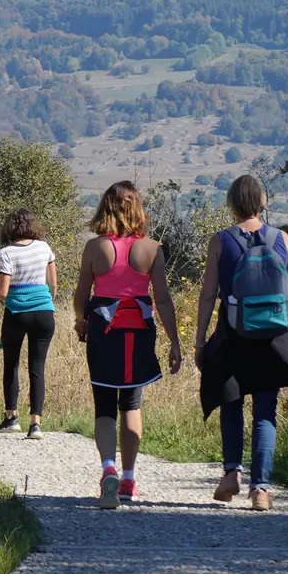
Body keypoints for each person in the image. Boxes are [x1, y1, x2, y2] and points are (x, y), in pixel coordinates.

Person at [195, 175, 288, 511]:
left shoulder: (221, 241)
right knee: (265, 410)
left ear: (232, 204)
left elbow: (207, 295)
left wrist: (200, 340)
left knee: (231, 401)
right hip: (274, 335)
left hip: (232, 333)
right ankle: (260, 490)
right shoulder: (282, 238)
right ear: (263, 202)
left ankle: (231, 473)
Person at [75, 181, 182, 509]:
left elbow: (81, 294)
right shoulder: (151, 249)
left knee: (104, 406)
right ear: (137, 209)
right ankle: (129, 478)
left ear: (105, 208)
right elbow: (162, 298)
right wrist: (175, 341)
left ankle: (109, 468)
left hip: (103, 333)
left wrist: (81, 321)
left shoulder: (95, 248)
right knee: (132, 405)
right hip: (139, 332)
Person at [0, 208, 57, 439]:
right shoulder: (45, 248)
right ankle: (36, 423)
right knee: (37, 367)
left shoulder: (6, 253)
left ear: (10, 227)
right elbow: (53, 284)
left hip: (17, 312)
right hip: (44, 312)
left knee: (12, 365)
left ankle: (12, 418)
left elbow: (2, 292)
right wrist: (47, 301)